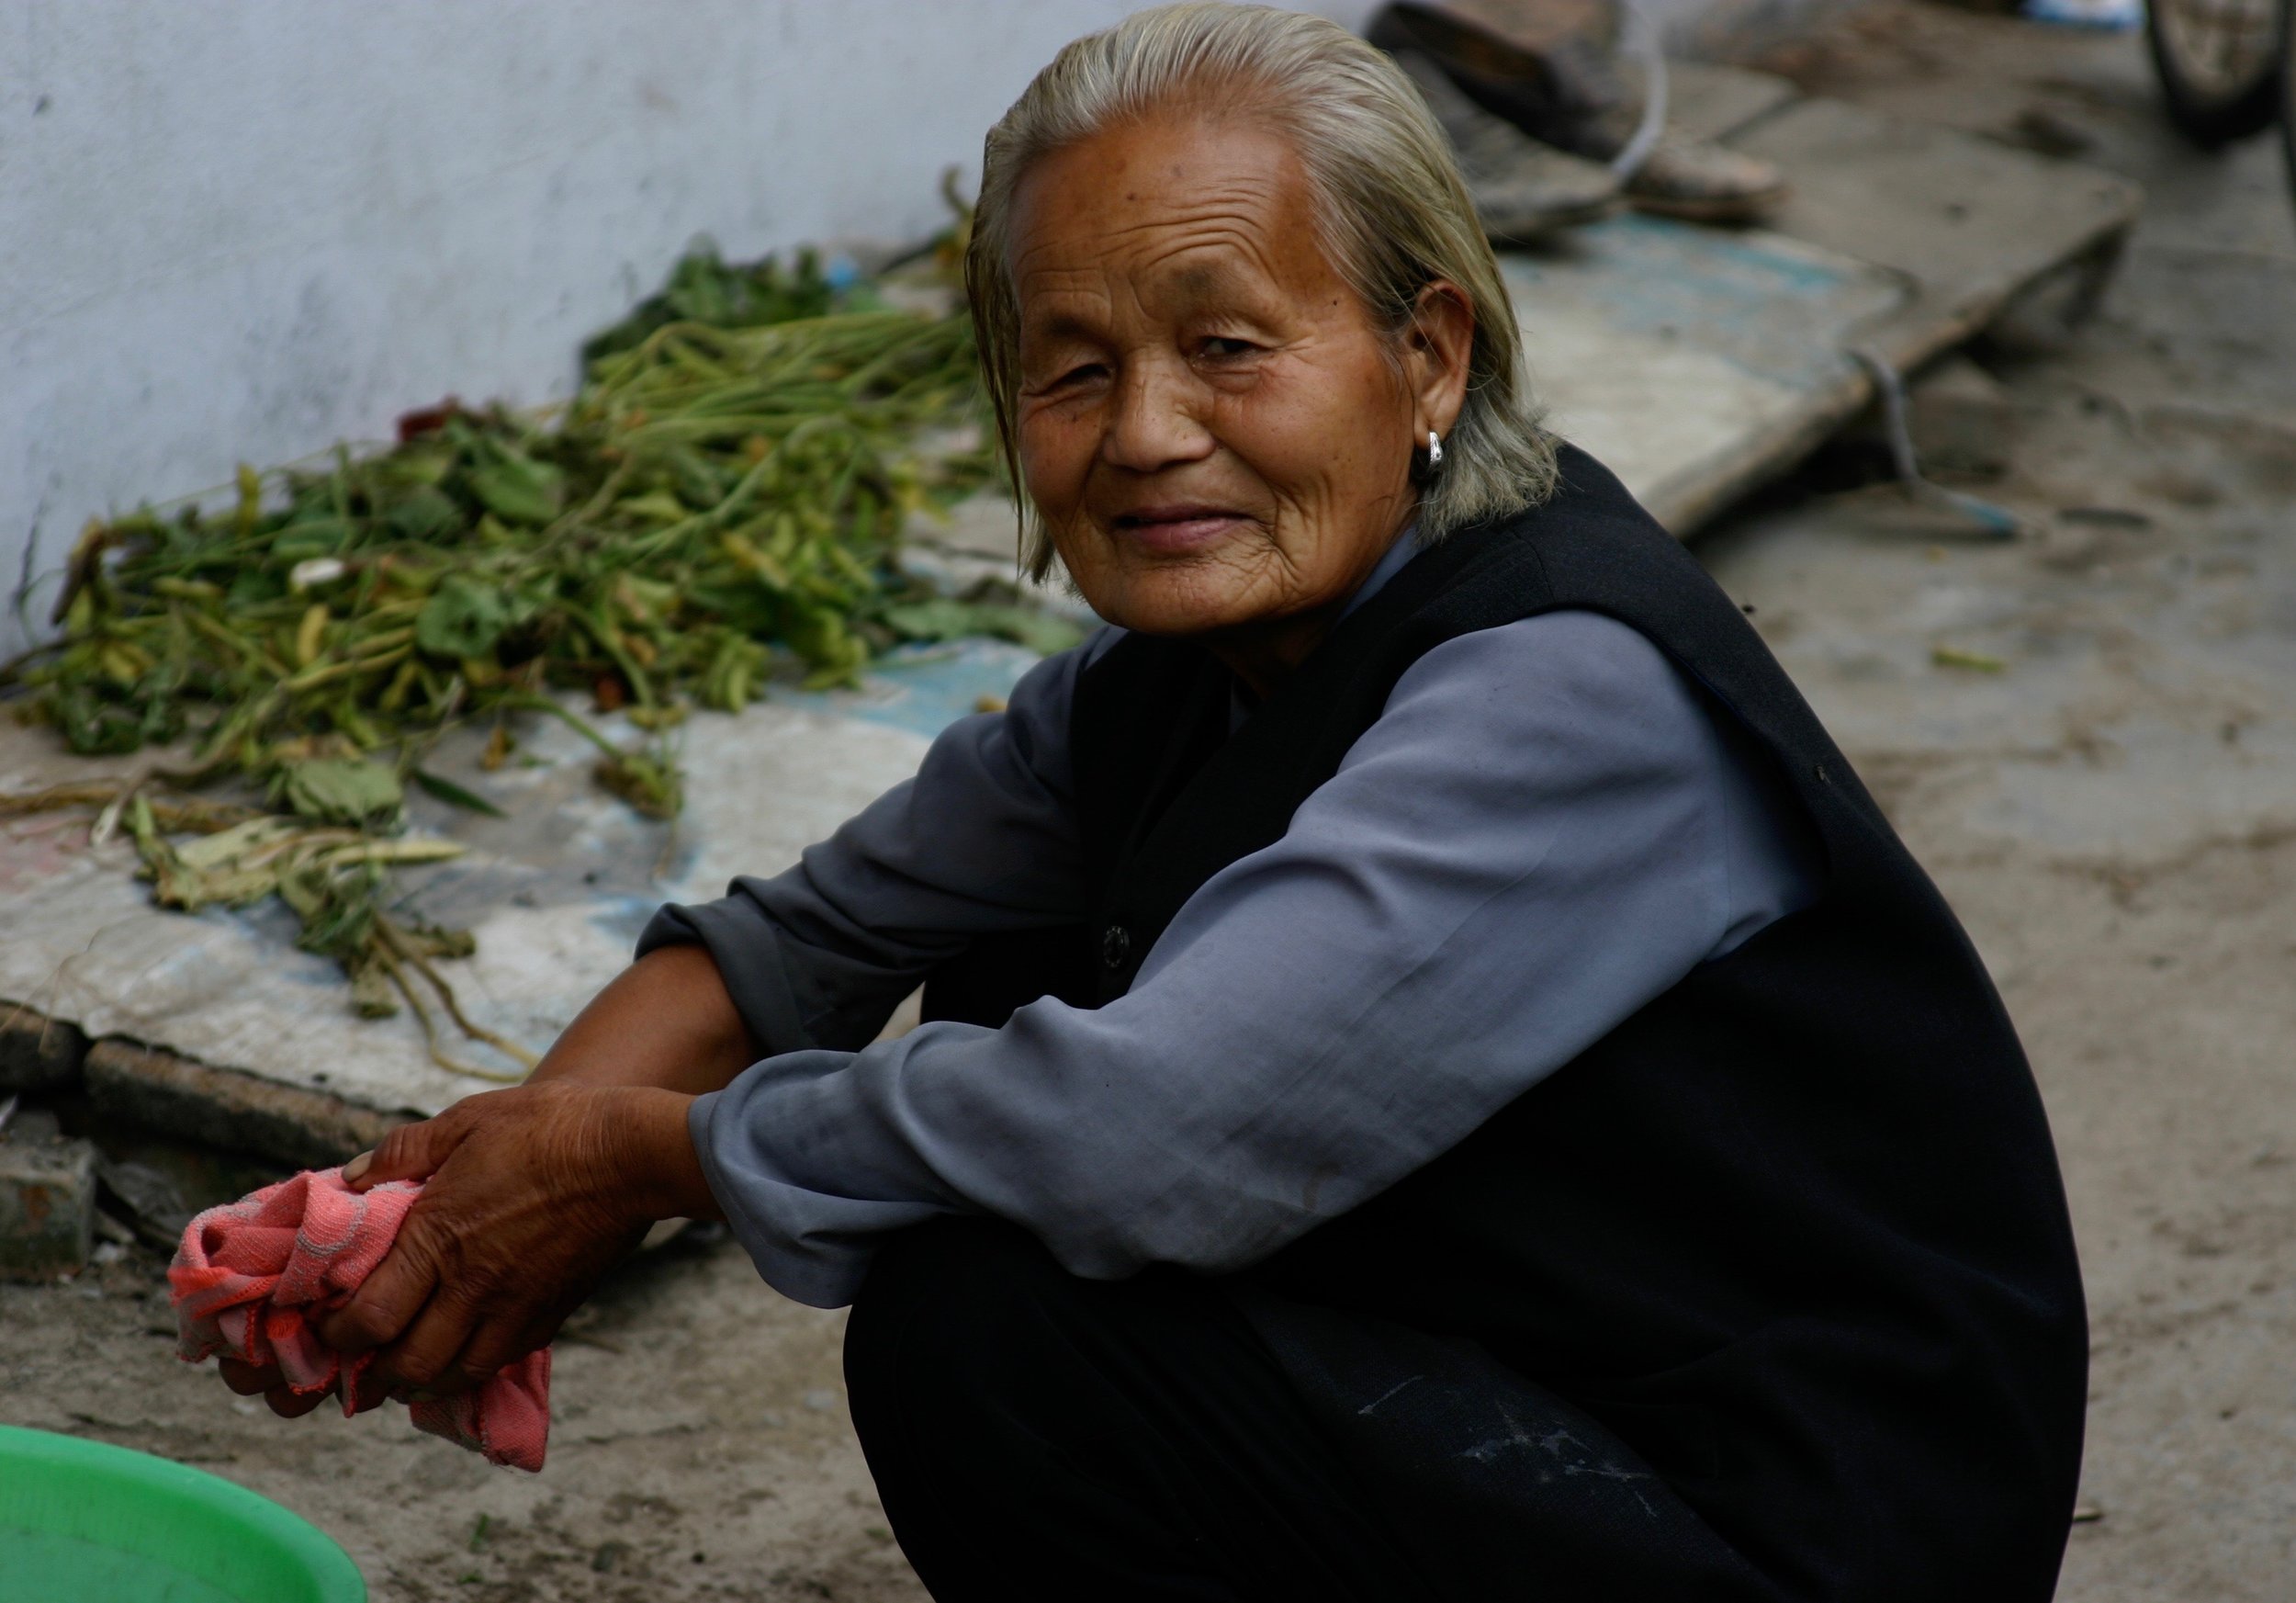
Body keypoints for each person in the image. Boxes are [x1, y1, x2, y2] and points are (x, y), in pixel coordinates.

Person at [219, 6, 2088, 1597]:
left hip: (1787, 1520)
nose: (1142, 436)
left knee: (1003, 1327)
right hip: (1539, 1393)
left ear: (1423, 355)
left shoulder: (1562, 689)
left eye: (1227, 346)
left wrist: (629, 1166)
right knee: (1005, 1063)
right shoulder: (1159, 689)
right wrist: (455, 1207)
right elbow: (795, 946)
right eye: (1073, 369)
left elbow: (1145, 1142)